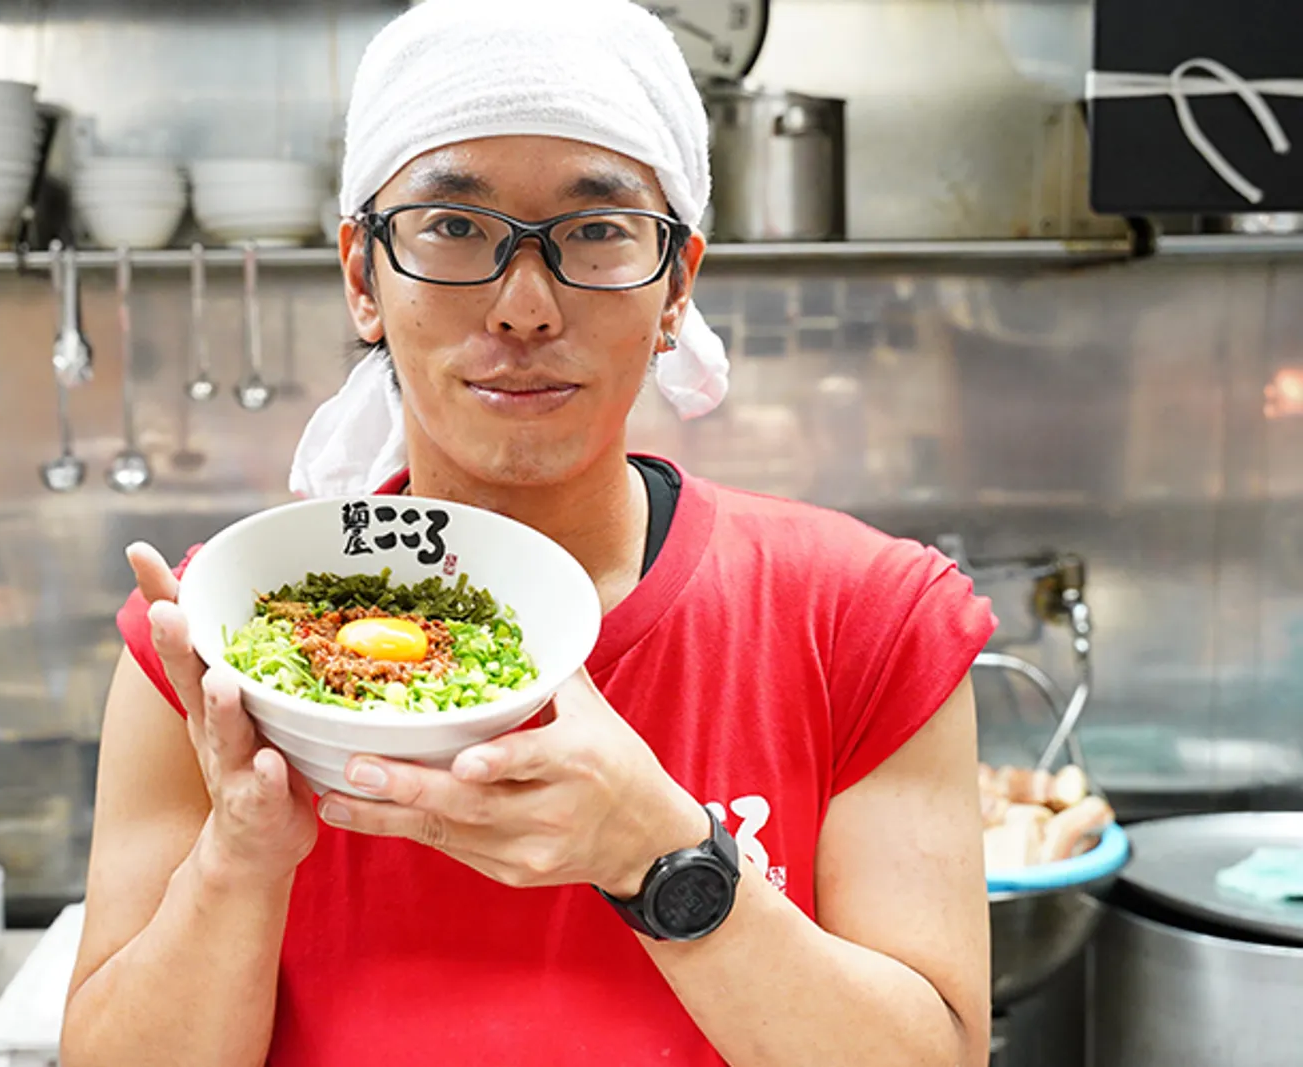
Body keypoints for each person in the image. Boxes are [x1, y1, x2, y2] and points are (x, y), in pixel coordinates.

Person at [61, 2, 998, 1064]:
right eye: (453, 227)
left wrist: (662, 857)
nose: (523, 307)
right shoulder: (216, 643)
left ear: (676, 286)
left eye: (595, 233)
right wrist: (238, 856)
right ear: (363, 276)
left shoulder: (867, 622)